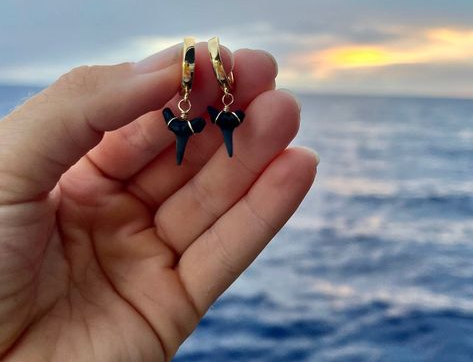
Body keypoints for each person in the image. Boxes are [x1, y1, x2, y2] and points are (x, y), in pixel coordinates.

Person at [0, 43, 318, 362]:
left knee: (196, 147)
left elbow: (180, 117)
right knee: (207, 146)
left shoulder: (193, 121)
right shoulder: (210, 120)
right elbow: (190, 118)